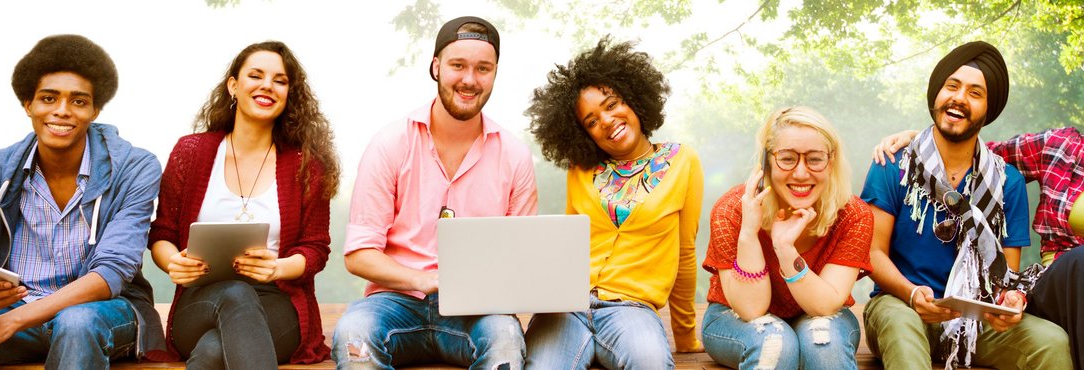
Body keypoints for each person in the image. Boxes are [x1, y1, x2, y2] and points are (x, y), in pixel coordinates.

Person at [331, 16, 537, 370]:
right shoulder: (390, 144)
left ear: (495, 73)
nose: (470, 80)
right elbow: (359, 255)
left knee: (505, 338)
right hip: (394, 303)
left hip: (475, 310)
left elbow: (520, 259)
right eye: (458, 65)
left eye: (483, 68)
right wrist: (422, 280)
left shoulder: (515, 156)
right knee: (354, 332)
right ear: (436, 67)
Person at [860, 40, 1070, 369]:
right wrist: (913, 294)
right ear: (936, 95)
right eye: (952, 86)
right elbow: (872, 254)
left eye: (975, 93)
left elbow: (1005, 277)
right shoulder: (894, 164)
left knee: (1051, 341)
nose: (959, 98)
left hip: (975, 320)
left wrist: (1010, 301)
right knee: (900, 326)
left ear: (988, 110)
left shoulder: (1006, 182)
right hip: (900, 304)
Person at [0, 34, 167, 368]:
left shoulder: (134, 167)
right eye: (49, 98)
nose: (61, 111)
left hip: (102, 313)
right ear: (28, 104)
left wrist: (9, 322)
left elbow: (111, 272)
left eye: (78, 101)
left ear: (95, 109)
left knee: (75, 324)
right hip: (14, 307)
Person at [147, 41, 339, 368]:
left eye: (280, 80)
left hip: (277, 301)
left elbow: (316, 248)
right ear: (234, 85)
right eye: (256, 75)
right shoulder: (190, 153)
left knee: (212, 352)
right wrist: (172, 263)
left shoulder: (307, 165)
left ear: (289, 93)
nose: (268, 85)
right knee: (235, 293)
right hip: (200, 301)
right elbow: (162, 233)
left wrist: (278, 267)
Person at [522, 37, 703, 369]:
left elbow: (685, 252)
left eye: (611, 104)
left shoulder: (682, 161)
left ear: (634, 100)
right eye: (590, 121)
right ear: (583, 134)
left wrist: (685, 334)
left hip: (632, 308)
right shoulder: (580, 171)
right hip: (567, 308)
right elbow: (568, 247)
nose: (605, 120)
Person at [875, 126, 1084, 368]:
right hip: (1064, 284)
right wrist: (918, 137)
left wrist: (1008, 297)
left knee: (1052, 341)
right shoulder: (1062, 145)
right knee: (1081, 260)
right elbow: (973, 151)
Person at [700, 106, 871, 369]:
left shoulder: (853, 215)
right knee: (775, 344)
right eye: (788, 158)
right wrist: (749, 232)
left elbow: (825, 305)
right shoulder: (731, 210)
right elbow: (751, 309)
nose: (801, 173)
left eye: (814, 159)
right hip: (733, 317)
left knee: (822, 345)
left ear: (831, 161)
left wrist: (784, 248)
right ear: (767, 160)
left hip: (820, 312)